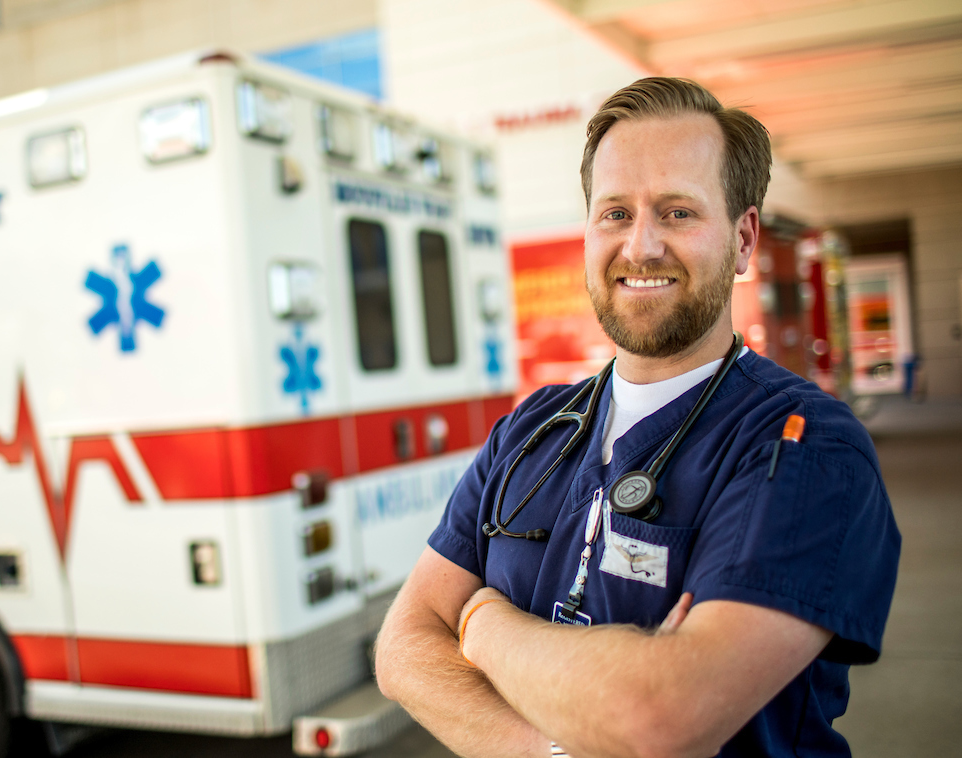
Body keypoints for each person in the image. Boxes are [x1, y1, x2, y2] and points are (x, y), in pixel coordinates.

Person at [374, 77, 901, 758]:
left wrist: (478, 623)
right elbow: (402, 648)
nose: (641, 246)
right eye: (615, 213)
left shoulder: (802, 447)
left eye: (678, 212)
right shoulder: (533, 429)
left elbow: (659, 717)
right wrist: (546, 750)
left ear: (743, 240)